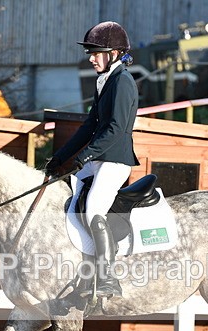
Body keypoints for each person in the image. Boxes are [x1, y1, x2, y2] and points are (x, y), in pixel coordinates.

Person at [46, 21, 139, 299]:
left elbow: (116, 128)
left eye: (96, 52)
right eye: (90, 52)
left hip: (115, 160)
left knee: (94, 208)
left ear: (114, 53)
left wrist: (86, 154)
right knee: (67, 195)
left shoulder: (122, 81)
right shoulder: (105, 80)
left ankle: (108, 277)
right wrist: (61, 157)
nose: (90, 58)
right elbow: (89, 126)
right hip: (98, 158)